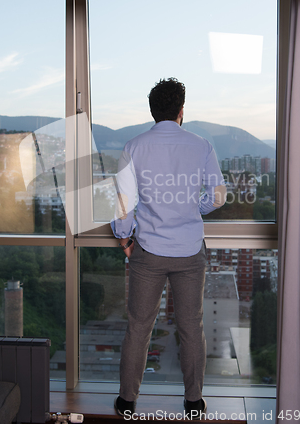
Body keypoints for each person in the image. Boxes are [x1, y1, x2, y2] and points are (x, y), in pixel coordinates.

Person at [111, 78, 226, 420]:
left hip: (148, 251)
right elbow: (218, 196)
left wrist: (124, 238)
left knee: (139, 327)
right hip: (190, 252)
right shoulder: (201, 145)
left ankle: (127, 402)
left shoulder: (134, 146)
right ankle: (194, 403)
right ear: (181, 111)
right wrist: (196, 207)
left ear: (152, 112)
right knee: (192, 327)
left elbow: (123, 205)